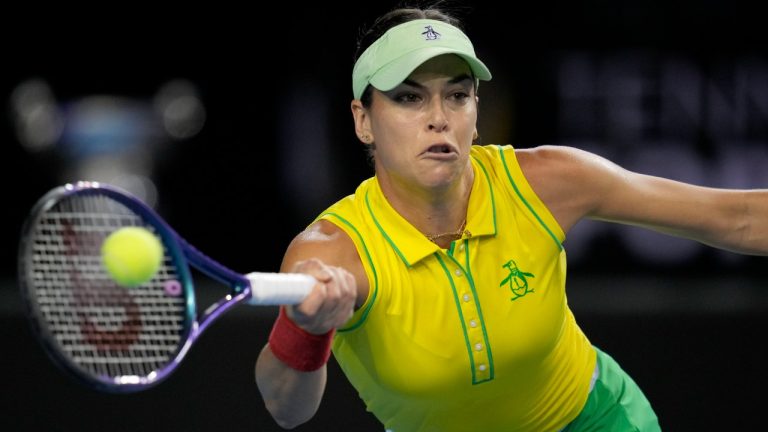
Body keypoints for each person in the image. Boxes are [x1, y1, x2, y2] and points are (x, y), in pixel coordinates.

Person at [255, 5, 768, 432]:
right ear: (363, 120)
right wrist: (309, 329)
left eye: (457, 95)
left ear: (476, 111)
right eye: (409, 97)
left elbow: (738, 218)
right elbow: (286, 409)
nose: (439, 116)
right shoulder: (330, 252)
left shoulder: (543, 182)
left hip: (598, 421)